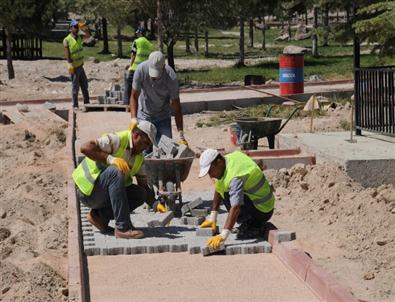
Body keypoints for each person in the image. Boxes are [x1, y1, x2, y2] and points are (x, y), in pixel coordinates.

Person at [72, 121, 157, 239]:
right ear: (136, 136)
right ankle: (123, 228)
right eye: (145, 143)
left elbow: (144, 187)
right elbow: (85, 148)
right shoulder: (117, 140)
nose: (146, 147)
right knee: (115, 171)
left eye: (149, 145)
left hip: (104, 195)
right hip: (87, 192)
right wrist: (110, 159)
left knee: (139, 194)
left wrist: (155, 203)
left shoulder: (139, 158)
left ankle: (98, 217)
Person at [198, 149, 275, 249]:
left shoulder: (235, 176)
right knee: (226, 191)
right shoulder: (228, 160)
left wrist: (223, 235)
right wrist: (213, 217)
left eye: (211, 171)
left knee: (230, 196)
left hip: (263, 209)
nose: (210, 175)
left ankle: (254, 224)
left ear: (219, 162)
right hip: (258, 203)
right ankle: (250, 222)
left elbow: (236, 206)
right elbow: (219, 186)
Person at [130, 51, 188, 147]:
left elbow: (176, 106)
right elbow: (134, 96)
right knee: (143, 149)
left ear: (163, 67)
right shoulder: (141, 70)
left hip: (163, 116)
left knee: (167, 148)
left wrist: (181, 134)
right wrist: (133, 119)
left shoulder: (171, 77)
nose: (154, 77)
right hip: (144, 116)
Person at [124, 26, 154, 105]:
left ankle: (127, 102)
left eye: (138, 33)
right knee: (144, 87)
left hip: (135, 68)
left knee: (129, 83)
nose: (137, 34)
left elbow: (133, 55)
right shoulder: (150, 44)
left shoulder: (136, 42)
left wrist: (130, 66)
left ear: (140, 33)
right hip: (146, 69)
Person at [63, 19, 90, 109]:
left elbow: (88, 36)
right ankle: (75, 105)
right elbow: (67, 53)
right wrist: (69, 63)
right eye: (75, 27)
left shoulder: (79, 37)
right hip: (74, 67)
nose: (76, 28)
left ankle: (87, 102)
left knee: (84, 85)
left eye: (77, 27)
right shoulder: (67, 40)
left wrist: (85, 28)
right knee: (75, 87)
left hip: (80, 65)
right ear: (71, 28)